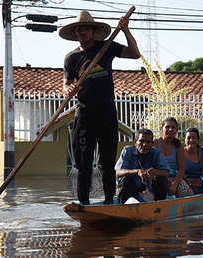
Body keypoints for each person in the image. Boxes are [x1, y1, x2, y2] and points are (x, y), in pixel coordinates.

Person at [59, 10, 141, 205]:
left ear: (93, 31)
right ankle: (84, 203)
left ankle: (108, 202)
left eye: (86, 29)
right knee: (83, 164)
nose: (83, 33)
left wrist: (126, 31)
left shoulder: (107, 48)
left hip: (106, 112)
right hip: (85, 114)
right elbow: (66, 84)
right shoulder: (71, 58)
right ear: (76, 33)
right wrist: (68, 89)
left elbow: (135, 54)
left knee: (106, 162)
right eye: (79, 30)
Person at [115, 129, 170, 204]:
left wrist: (155, 172)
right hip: (131, 188)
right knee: (125, 179)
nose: (145, 145)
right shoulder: (127, 150)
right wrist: (136, 171)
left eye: (148, 142)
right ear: (135, 142)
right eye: (141, 141)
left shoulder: (155, 152)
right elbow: (117, 172)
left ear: (152, 143)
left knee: (162, 180)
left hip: (148, 189)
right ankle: (123, 206)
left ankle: (159, 205)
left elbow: (166, 172)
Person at [153, 117, 192, 197]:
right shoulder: (155, 143)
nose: (170, 129)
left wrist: (174, 185)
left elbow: (181, 169)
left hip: (174, 178)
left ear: (176, 130)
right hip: (158, 177)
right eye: (167, 127)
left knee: (187, 194)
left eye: (173, 127)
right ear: (162, 129)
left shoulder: (178, 146)